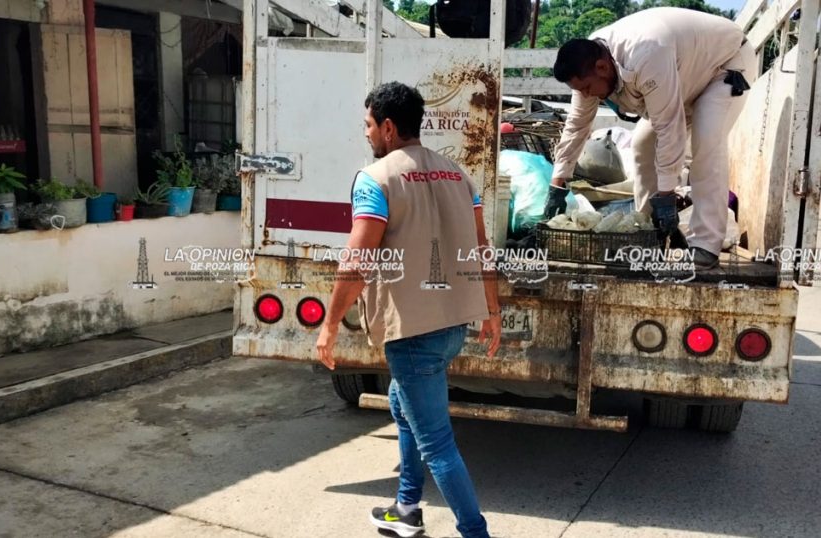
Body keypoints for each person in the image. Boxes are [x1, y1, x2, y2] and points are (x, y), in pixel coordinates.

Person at [316, 82, 501, 538]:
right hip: (452, 325)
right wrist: (491, 310)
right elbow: (481, 248)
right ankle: (406, 507)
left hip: (413, 335)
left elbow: (357, 260)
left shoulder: (375, 179)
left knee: (437, 444)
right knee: (402, 406)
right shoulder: (457, 175)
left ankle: (475, 532)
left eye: (368, 125)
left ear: (388, 127)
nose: (366, 133)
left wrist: (330, 324)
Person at [543, 7, 757, 270]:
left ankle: (706, 244)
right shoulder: (587, 64)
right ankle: (647, 233)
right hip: (684, 77)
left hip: (724, 67)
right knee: (642, 145)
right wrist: (558, 184)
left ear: (602, 67)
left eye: (587, 88)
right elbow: (576, 126)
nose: (586, 95)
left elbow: (669, 128)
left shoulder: (646, 53)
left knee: (706, 144)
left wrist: (666, 195)